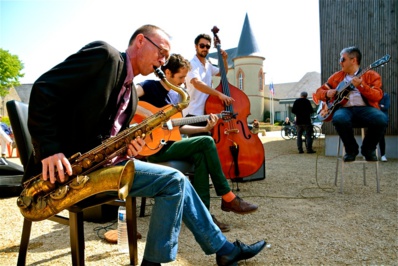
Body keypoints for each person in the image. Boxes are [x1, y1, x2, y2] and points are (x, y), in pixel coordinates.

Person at [26, 25, 265, 266]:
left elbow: (104, 136)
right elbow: (44, 89)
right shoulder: (105, 56)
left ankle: (221, 249)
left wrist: (127, 145)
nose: (163, 62)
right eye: (161, 52)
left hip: (102, 168)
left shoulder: (130, 95)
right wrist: (50, 149)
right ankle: (213, 250)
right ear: (140, 41)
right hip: (65, 170)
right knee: (174, 181)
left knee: (176, 182)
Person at [136, 54, 258, 232]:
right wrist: (151, 117)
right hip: (154, 149)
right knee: (207, 142)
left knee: (201, 152)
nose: (183, 82)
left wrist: (203, 129)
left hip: (171, 144)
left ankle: (204, 217)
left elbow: (179, 127)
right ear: (168, 72)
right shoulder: (149, 86)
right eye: (180, 77)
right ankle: (227, 197)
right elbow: (127, 97)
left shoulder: (176, 96)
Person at [315, 46, 388, 162]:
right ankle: (351, 150)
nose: (340, 62)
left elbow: (378, 96)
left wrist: (362, 86)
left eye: (343, 59)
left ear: (353, 60)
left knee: (381, 119)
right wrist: (327, 93)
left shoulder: (371, 75)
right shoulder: (336, 77)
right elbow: (318, 93)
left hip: (365, 109)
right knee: (338, 118)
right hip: (345, 109)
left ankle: (368, 149)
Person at [182, 33, 234, 130]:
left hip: (207, 112)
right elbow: (197, 84)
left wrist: (224, 60)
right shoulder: (191, 64)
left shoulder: (208, 65)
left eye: (208, 46)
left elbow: (223, 73)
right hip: (193, 113)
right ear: (196, 46)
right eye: (202, 45)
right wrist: (219, 94)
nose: (205, 48)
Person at [378, 92, 390, 162]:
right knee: (370, 136)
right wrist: (380, 106)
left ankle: (383, 155)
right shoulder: (370, 95)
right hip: (372, 119)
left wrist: (377, 106)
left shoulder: (385, 95)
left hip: (383, 118)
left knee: (381, 137)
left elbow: (386, 106)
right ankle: (370, 153)